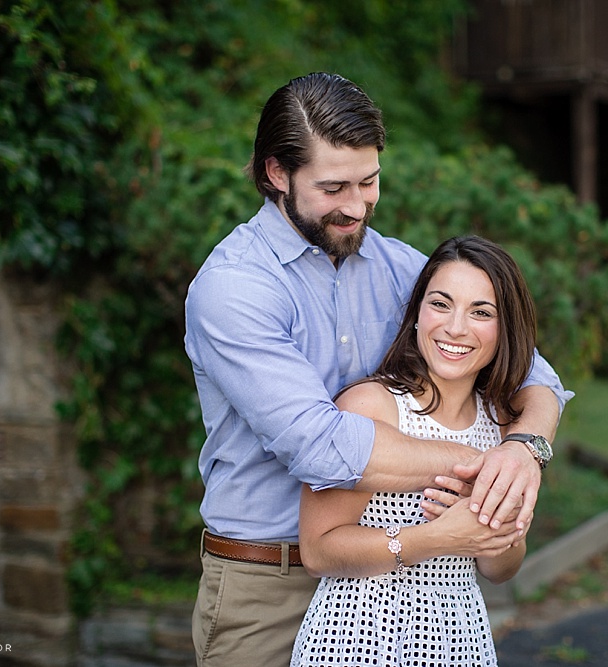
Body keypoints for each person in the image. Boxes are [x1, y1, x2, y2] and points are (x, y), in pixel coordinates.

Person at [184, 72, 573, 667]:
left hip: (394, 602)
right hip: (267, 586)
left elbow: (530, 372)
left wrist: (523, 449)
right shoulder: (234, 288)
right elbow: (319, 444)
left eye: (369, 182)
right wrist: (480, 465)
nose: (357, 205)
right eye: (335, 186)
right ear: (276, 174)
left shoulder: (399, 268)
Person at [291, 236, 537, 666]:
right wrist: (436, 538)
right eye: (441, 304)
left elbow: (501, 570)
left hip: (460, 640)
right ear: (418, 313)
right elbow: (318, 551)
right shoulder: (372, 405)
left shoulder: (502, 423)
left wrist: (498, 523)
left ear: (506, 328)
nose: (456, 328)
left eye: (481, 312)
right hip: (359, 638)